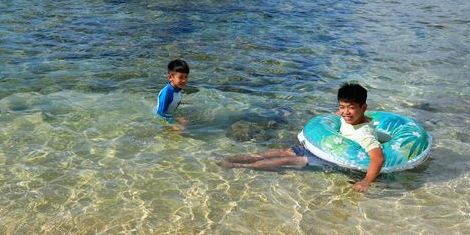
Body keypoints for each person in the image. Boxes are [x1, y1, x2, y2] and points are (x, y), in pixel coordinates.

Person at [219, 82, 386, 192]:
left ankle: (238, 165)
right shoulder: (345, 116)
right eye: (342, 107)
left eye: (351, 108)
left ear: (363, 108)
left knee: (284, 161)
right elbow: (336, 117)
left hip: (328, 158)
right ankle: (240, 157)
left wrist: (365, 181)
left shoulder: (364, 134)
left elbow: (378, 158)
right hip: (321, 146)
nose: (345, 112)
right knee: (283, 151)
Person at [155, 59, 190, 128]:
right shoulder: (166, 94)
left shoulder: (178, 88)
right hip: (160, 119)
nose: (184, 80)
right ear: (170, 77)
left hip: (169, 114)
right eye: (180, 77)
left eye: (186, 77)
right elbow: (160, 114)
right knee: (181, 128)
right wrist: (176, 120)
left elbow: (174, 100)